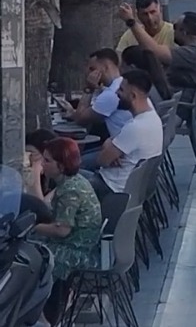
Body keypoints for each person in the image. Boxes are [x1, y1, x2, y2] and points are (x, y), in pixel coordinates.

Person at [24, 136, 102, 324]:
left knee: (31, 262)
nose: (43, 163)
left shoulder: (70, 190)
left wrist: (32, 228)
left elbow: (62, 231)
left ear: (61, 165)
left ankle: (44, 317)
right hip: (81, 243)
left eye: (47, 161)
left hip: (79, 250)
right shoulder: (72, 182)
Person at [88, 69, 163, 199]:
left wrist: (110, 148)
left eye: (121, 90)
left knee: (64, 177)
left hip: (110, 188)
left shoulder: (135, 127)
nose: (116, 93)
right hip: (129, 188)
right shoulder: (152, 118)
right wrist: (110, 145)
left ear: (133, 96)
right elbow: (112, 145)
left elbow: (102, 160)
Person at [128, 10, 196, 96]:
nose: (172, 30)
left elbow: (153, 50)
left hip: (175, 105)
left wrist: (131, 22)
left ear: (184, 32)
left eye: (175, 27)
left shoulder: (192, 54)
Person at [65, 48, 130, 143]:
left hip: (122, 150)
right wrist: (72, 112)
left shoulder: (112, 94)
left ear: (106, 67)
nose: (88, 73)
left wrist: (89, 89)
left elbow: (80, 119)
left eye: (92, 69)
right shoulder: (120, 84)